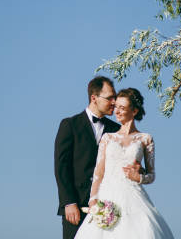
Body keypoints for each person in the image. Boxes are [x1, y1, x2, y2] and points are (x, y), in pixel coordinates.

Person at [74, 88, 174, 239]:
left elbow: (151, 175)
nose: (117, 112)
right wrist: (93, 199)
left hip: (134, 196)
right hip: (107, 196)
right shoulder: (107, 138)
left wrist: (139, 177)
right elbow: (98, 172)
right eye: (116, 107)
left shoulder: (145, 139)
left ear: (134, 111)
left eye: (122, 108)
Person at [54, 76, 122, 239]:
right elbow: (61, 168)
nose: (114, 102)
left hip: (108, 207)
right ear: (94, 98)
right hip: (76, 207)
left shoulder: (117, 130)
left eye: (115, 97)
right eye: (110, 98)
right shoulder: (70, 125)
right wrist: (69, 202)